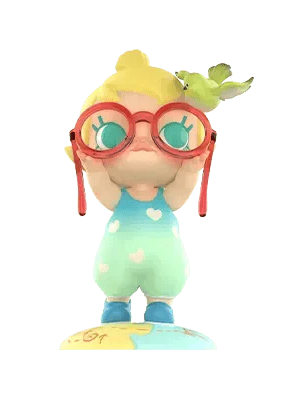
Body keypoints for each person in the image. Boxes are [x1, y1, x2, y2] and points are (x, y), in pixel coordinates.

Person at [65, 49, 211, 324]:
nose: (142, 138)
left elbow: (179, 195)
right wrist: (94, 169)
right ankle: (116, 303)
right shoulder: (120, 197)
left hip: (163, 263)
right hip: (117, 264)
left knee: (164, 286)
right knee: (115, 285)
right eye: (112, 133)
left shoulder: (164, 198)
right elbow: (106, 194)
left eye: (173, 133)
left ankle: (161, 304)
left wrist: (191, 169)